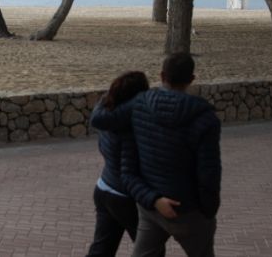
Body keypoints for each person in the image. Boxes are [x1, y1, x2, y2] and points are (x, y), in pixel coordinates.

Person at [91, 53, 221, 257]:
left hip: (147, 206)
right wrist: (208, 210)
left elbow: (101, 120)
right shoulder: (205, 118)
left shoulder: (140, 104)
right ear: (192, 79)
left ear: (162, 75)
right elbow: (209, 172)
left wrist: (152, 199)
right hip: (186, 209)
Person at [86, 71, 150, 257]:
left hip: (104, 187)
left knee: (101, 249)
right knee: (150, 251)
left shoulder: (107, 112)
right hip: (125, 197)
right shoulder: (130, 125)